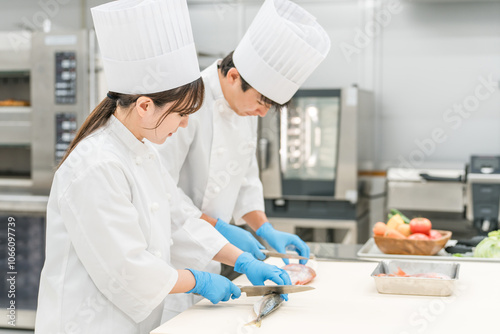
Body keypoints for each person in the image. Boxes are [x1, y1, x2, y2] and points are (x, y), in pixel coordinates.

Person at [34, 1, 290, 333]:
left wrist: (240, 260)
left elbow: (180, 219)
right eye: (181, 113)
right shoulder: (95, 165)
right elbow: (128, 268)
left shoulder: (141, 151)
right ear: (144, 106)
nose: (184, 125)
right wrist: (197, 280)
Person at [156, 0, 331, 321]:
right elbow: (160, 190)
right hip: (170, 253)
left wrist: (264, 228)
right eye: (262, 102)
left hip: (213, 255)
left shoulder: (245, 106)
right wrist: (220, 229)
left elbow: (246, 177)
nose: (263, 112)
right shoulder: (186, 102)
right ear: (234, 76)